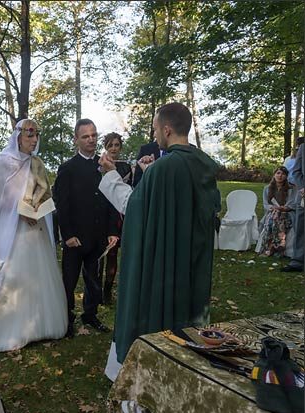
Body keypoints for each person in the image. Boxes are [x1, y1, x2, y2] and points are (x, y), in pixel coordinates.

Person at [98, 102, 221, 380]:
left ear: (166, 129)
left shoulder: (164, 168)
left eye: (155, 130)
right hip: (190, 256)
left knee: (157, 310)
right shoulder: (203, 165)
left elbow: (135, 207)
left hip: (164, 258)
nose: (154, 136)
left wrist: (110, 175)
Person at [0, 119, 68, 352]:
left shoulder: (37, 163)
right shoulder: (3, 162)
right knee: (12, 274)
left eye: (36, 136)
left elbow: (44, 194)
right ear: (18, 137)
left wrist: (37, 209)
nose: (34, 140)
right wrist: (17, 211)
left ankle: (38, 325)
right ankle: (7, 328)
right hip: (11, 232)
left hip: (35, 228)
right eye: (29, 135)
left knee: (38, 274)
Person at [54, 120, 120, 338]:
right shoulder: (67, 168)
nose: (91, 139)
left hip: (98, 236)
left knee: (94, 280)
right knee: (69, 281)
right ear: (76, 140)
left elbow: (111, 200)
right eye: (85, 136)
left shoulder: (104, 166)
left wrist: (112, 231)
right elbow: (62, 205)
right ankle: (67, 318)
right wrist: (68, 235)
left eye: (93, 135)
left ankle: (90, 315)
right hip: (75, 238)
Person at [100, 132, 130, 305]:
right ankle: (95, 289)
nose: (113, 148)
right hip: (102, 215)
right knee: (99, 254)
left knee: (113, 254)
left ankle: (107, 290)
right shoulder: (99, 164)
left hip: (118, 215)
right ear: (105, 146)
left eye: (116, 145)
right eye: (110, 145)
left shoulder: (126, 167)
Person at [255, 166, 297, 257]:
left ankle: (272, 247)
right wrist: (273, 208)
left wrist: (283, 208)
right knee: (273, 218)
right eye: (278, 173)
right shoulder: (267, 188)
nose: (280, 176)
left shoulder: (291, 188)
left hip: (288, 213)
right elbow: (266, 204)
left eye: (283, 174)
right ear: (274, 175)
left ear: (286, 176)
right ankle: (275, 246)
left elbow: (293, 204)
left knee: (278, 217)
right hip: (272, 212)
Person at [282, 138, 305, 272]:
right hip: (303, 195)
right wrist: (302, 187)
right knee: (301, 228)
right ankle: (297, 262)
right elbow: (296, 171)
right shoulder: (303, 148)